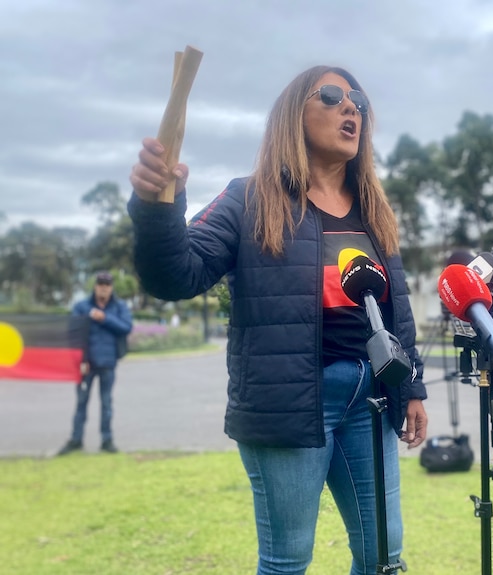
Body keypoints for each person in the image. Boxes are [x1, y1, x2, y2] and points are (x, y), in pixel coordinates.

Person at [127, 65, 428, 575]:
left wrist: (413, 385)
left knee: (384, 556)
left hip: (371, 398)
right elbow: (176, 277)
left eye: (357, 99)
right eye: (331, 96)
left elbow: (396, 305)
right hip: (288, 401)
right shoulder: (249, 198)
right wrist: (158, 208)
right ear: (293, 114)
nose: (351, 106)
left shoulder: (375, 208)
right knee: (288, 561)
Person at [58, 271, 133, 455]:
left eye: (107, 285)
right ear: (95, 286)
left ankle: (107, 441)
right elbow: (73, 333)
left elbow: (126, 327)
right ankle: (76, 439)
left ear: (111, 288)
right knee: (81, 403)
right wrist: (81, 360)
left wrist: (105, 318)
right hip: (86, 364)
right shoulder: (82, 306)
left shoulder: (119, 306)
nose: (103, 288)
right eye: (100, 284)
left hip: (108, 362)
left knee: (106, 403)